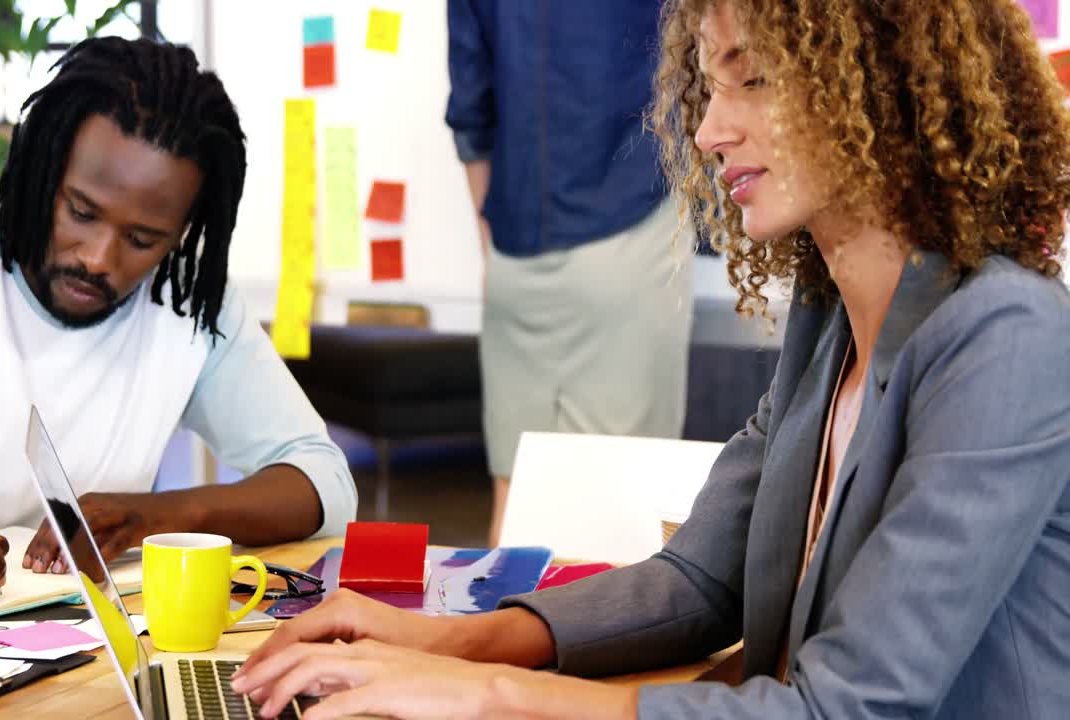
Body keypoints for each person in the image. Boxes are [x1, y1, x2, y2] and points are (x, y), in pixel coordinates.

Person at [231, 0, 1070, 717]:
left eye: (753, 79)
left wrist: (481, 692)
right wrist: (443, 642)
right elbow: (700, 581)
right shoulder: (829, 323)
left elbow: (843, 707)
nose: (708, 129)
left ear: (876, 85)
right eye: (709, 86)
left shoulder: (1007, 335)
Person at [0, 37, 357, 603]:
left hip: (77, 648)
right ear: (42, 167)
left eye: (143, 239)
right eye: (81, 212)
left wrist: (154, 515)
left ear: (182, 233)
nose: (98, 258)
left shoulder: (186, 299)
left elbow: (324, 483)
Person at [446, 1, 694, 546]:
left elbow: (470, 108)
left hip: (515, 245)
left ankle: (492, 631)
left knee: (514, 501)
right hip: (631, 224)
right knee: (624, 512)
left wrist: (493, 248)